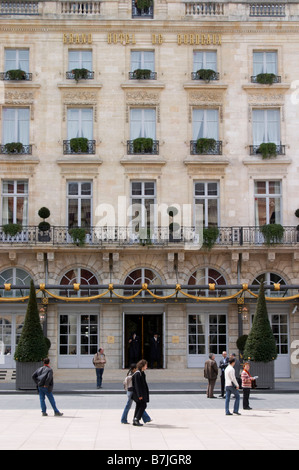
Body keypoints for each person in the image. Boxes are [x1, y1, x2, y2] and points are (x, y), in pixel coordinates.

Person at [132, 359, 150, 426]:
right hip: (139, 394)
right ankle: (136, 419)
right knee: (143, 405)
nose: (146, 367)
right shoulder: (137, 374)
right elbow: (137, 386)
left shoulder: (141, 373)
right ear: (142, 366)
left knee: (139, 406)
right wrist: (140, 395)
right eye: (145, 365)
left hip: (141, 393)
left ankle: (135, 419)